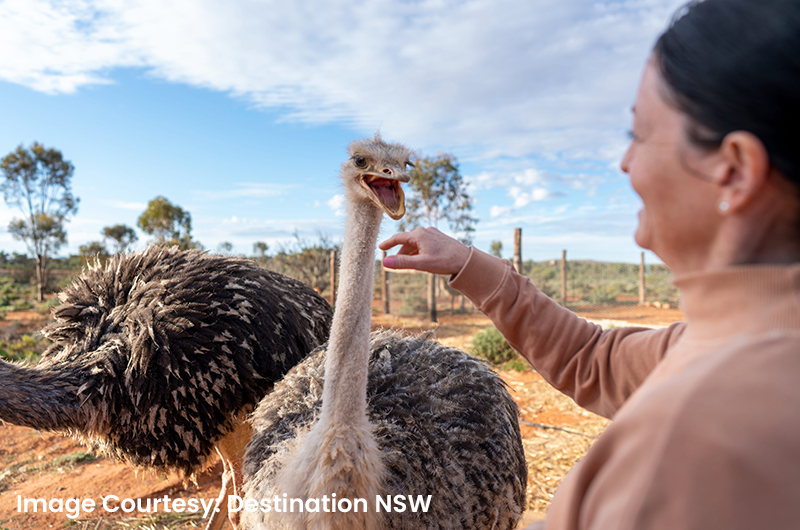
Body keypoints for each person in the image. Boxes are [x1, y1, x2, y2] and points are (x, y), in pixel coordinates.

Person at [379, 0, 800, 528]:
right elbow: (595, 357)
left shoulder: (694, 440)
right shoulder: (740, 339)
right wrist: (468, 263)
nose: (625, 163)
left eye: (638, 135)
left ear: (734, 171)